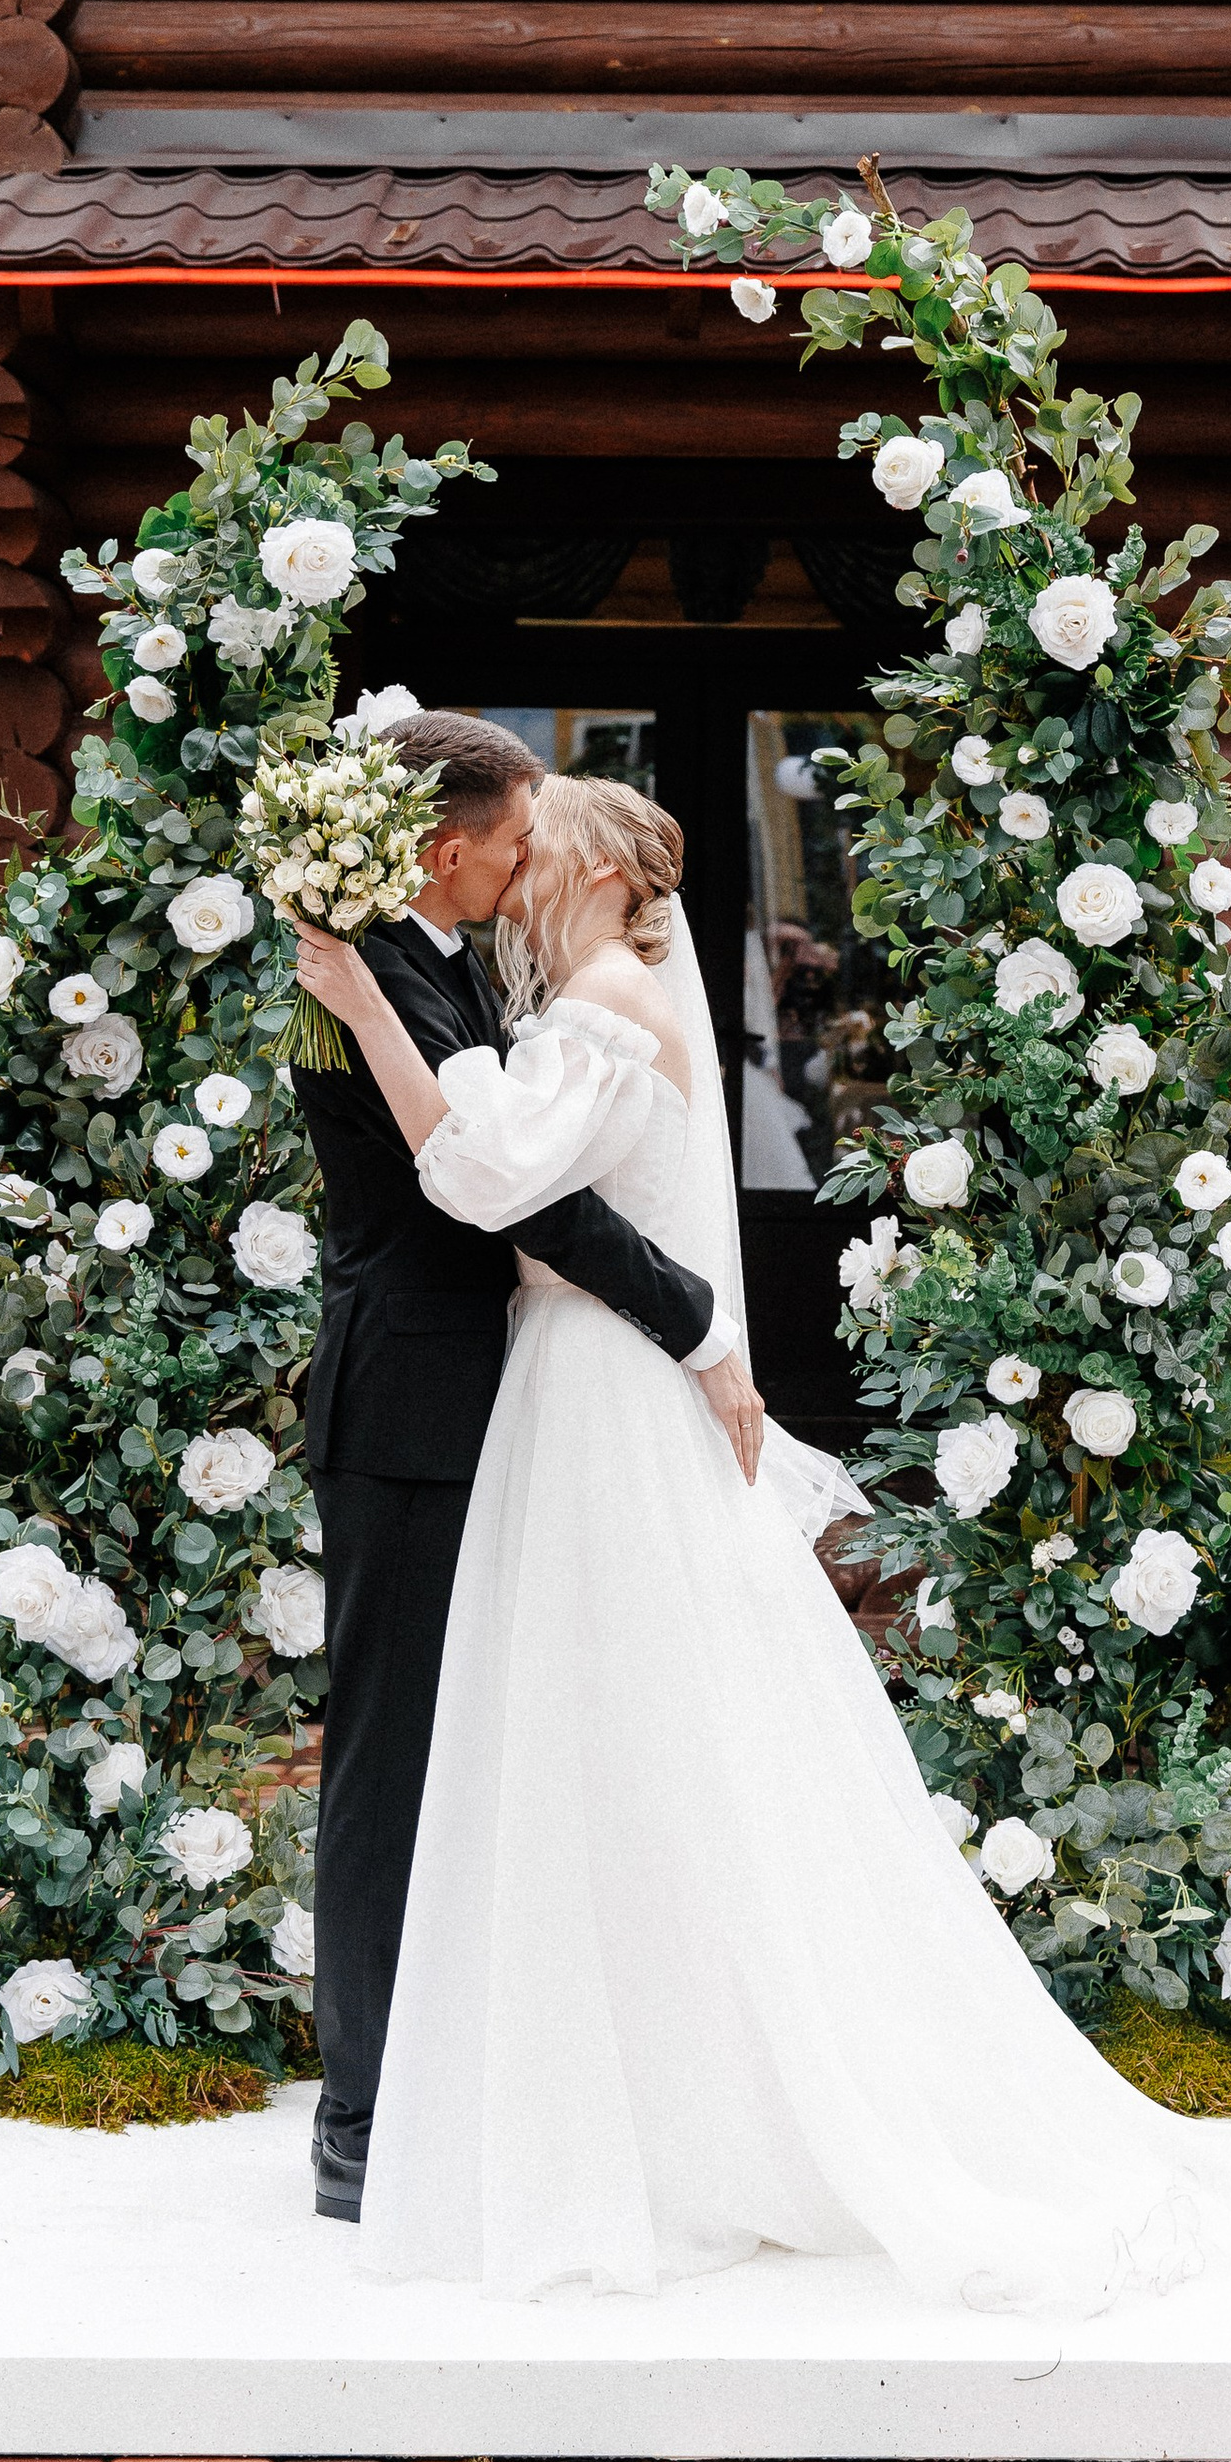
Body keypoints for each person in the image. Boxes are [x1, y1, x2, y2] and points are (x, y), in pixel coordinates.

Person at [294, 774, 1231, 2320]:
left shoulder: (603, 998)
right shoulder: (593, 989)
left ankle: (652, 2105)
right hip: (569, 1390)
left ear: (577, 865)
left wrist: (365, 1004)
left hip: (593, 1391)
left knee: (619, 1738)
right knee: (605, 1742)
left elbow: (492, 1181)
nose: (508, 874)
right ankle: (618, 2087)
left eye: (528, 849)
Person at [285, 711, 740, 2233]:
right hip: (409, 1405)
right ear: (449, 843)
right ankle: (359, 2116)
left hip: (502, 1399)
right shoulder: (370, 972)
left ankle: (461, 2077)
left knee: (492, 1747)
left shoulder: (465, 966)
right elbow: (501, 1208)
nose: (528, 859)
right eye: (517, 833)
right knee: (389, 1763)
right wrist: (694, 1320)